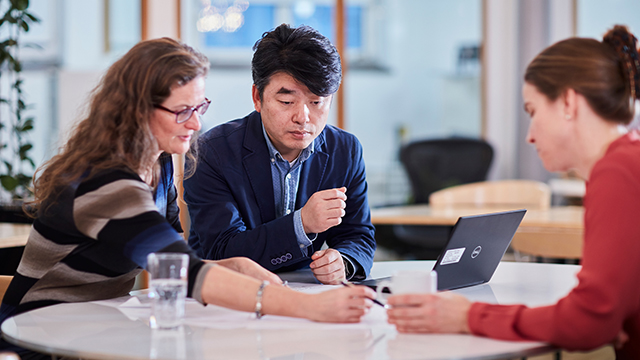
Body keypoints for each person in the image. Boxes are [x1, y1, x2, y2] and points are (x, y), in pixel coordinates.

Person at [0, 37, 376, 359]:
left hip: (97, 322)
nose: (196, 124)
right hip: (44, 335)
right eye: (182, 111)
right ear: (137, 111)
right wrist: (309, 307)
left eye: (200, 108)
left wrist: (230, 266)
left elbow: (171, 255)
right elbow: (185, 271)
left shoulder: (158, 164)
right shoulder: (107, 183)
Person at [385, 25, 640, 359]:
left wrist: (467, 316)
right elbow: (606, 313)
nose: (529, 136)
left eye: (532, 112)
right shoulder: (626, 160)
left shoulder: (617, 172)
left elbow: (588, 321)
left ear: (568, 102)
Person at [184, 24, 376, 285]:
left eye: (316, 102)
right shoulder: (211, 151)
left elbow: (358, 235)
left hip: (307, 294)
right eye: (287, 102)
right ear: (257, 97)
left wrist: (344, 262)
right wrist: (302, 224)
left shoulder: (345, 149)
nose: (303, 117)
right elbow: (222, 251)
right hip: (227, 297)